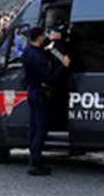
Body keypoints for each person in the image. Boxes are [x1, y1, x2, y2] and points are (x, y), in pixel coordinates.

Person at [21, 26, 69, 176]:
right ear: (39, 37)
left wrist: (51, 39)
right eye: (43, 36)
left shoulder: (28, 52)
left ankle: (33, 159)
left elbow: (40, 46)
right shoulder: (40, 57)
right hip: (42, 94)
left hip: (32, 92)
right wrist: (64, 67)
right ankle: (35, 163)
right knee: (40, 130)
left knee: (33, 128)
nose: (44, 38)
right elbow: (51, 77)